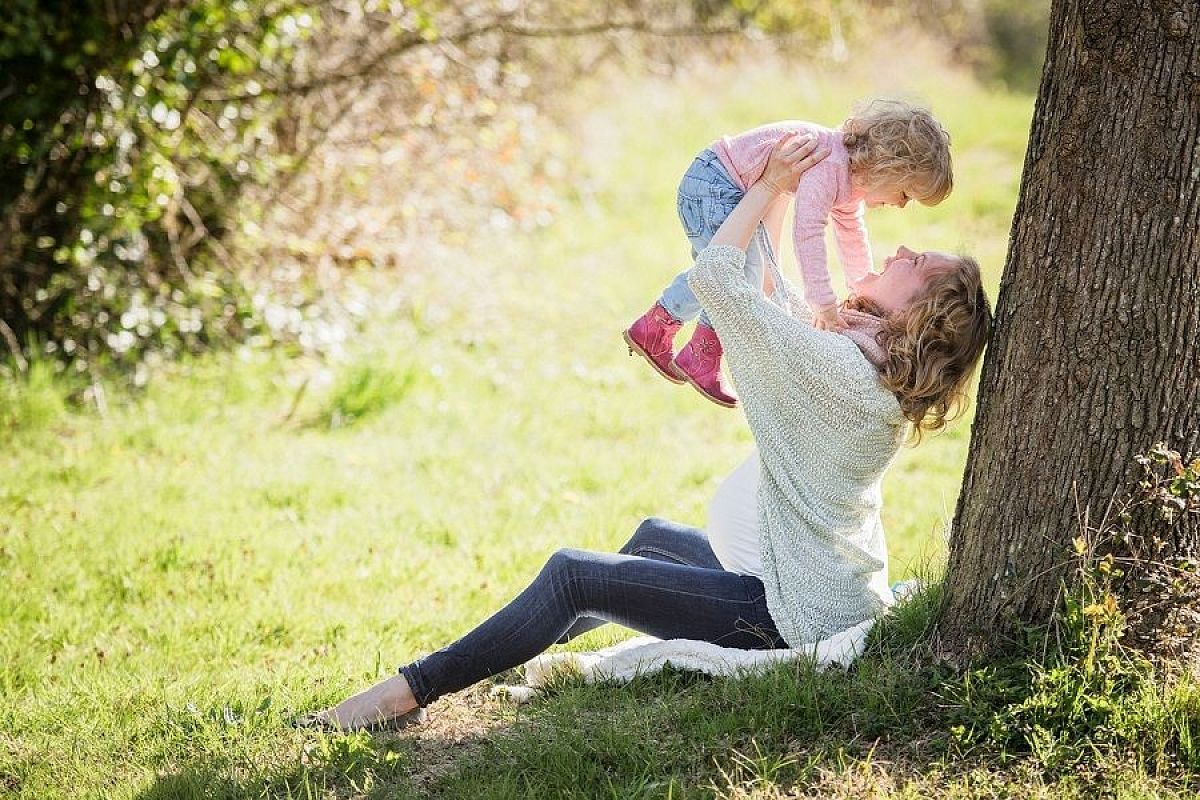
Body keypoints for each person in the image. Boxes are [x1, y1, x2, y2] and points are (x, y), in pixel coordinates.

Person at [302, 133, 990, 732]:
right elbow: (774, 300)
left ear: (919, 316)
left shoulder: (839, 370)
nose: (900, 247)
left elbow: (720, 280)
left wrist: (773, 186)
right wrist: (780, 194)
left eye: (916, 263)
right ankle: (501, 650)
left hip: (786, 612)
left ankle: (407, 692)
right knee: (652, 539)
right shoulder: (866, 367)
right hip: (807, 582)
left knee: (575, 574)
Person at [623, 98, 953, 408]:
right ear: (888, 168)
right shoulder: (830, 165)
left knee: (732, 271)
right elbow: (807, 233)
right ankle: (697, 351)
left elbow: (851, 235)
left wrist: (861, 285)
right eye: (906, 194)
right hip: (714, 184)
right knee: (732, 272)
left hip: (723, 186)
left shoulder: (850, 182)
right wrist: (822, 301)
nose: (900, 205)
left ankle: (659, 329)